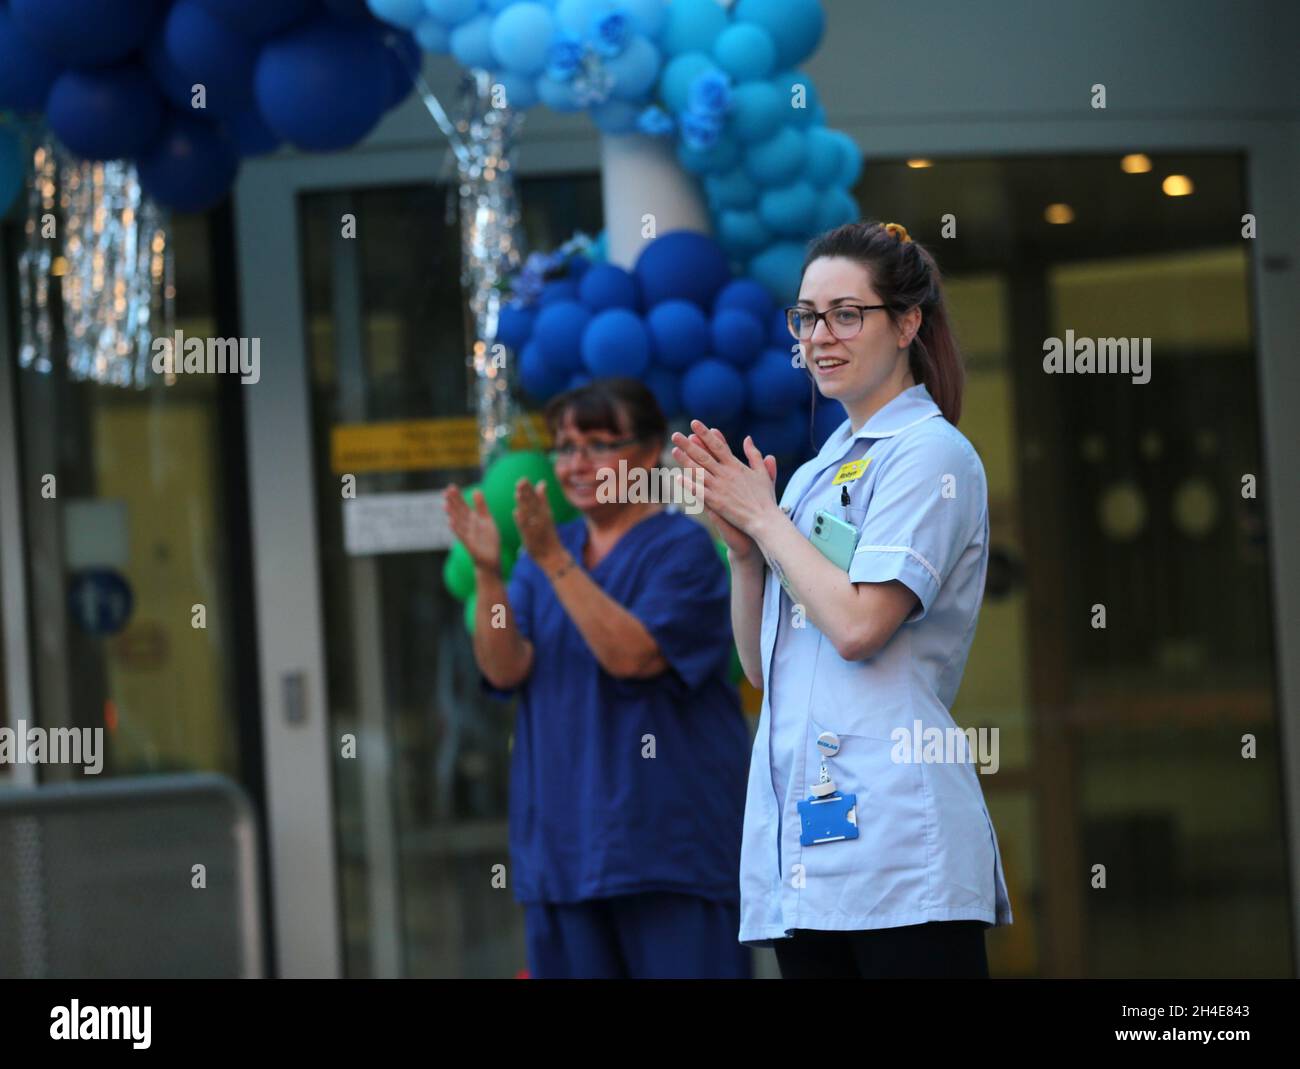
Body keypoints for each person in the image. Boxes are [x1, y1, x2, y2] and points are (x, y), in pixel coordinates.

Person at [671, 220, 1013, 979]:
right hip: (808, 853)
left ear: (908, 323)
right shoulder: (817, 472)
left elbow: (860, 625)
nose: (819, 336)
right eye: (806, 316)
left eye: (845, 313)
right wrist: (743, 551)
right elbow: (765, 671)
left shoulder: (933, 454)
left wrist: (765, 518)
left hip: (901, 851)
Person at [445, 377, 752, 980]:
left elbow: (632, 656)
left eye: (596, 444)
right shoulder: (543, 556)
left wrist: (554, 562)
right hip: (562, 854)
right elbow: (505, 665)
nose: (574, 464)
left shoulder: (681, 550)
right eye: (564, 447)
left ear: (647, 452)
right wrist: (488, 575)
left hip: (668, 856)